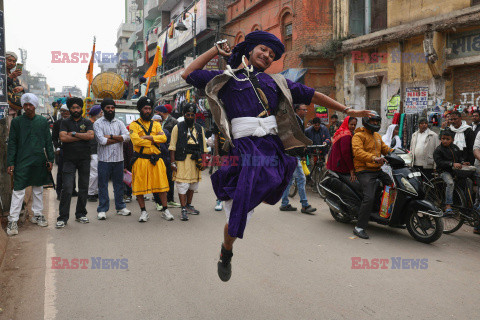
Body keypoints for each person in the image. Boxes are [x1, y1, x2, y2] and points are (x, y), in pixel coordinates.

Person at [181, 30, 373, 281]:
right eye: (263, 50)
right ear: (250, 50)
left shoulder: (277, 82)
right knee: (239, 209)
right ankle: (226, 251)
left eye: (272, 55)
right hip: (245, 148)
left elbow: (312, 94)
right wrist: (215, 51)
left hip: (271, 145)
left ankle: (245, 202)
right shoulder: (226, 79)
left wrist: (348, 109)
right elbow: (188, 74)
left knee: (277, 176)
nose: (267, 56)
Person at [6, 94, 54, 236]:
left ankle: (37, 215)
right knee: (18, 190)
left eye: (30, 104)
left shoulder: (42, 122)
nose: (27, 107)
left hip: (39, 160)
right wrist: (10, 162)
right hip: (22, 161)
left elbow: (48, 141)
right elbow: (13, 143)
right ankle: (13, 220)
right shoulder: (17, 122)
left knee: (38, 188)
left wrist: (50, 159)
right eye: (25, 104)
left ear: (35, 106)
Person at [129, 97, 173, 222]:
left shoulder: (157, 124)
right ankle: (143, 212)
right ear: (140, 110)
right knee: (139, 186)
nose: (148, 111)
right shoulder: (134, 125)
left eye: (149, 108)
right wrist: (154, 138)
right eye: (145, 108)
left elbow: (164, 138)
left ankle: (165, 209)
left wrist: (147, 137)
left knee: (162, 186)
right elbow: (135, 140)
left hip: (157, 160)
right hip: (141, 160)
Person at [351, 112, 393, 239]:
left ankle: (385, 212)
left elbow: (386, 149)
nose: (375, 123)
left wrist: (398, 153)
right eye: (373, 121)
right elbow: (358, 152)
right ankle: (359, 227)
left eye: (377, 121)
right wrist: (374, 158)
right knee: (369, 197)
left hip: (376, 170)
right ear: (365, 121)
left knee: (392, 184)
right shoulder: (358, 136)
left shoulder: (377, 136)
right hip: (364, 170)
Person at [56, 97, 94, 228]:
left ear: (81, 108)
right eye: (73, 108)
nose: (76, 110)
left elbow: (90, 136)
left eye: (78, 107)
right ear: (70, 109)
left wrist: (72, 134)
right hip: (68, 160)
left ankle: (80, 214)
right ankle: (62, 217)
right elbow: (62, 138)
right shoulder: (65, 122)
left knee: (83, 187)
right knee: (66, 188)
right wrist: (80, 136)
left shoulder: (87, 122)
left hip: (84, 159)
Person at [93, 99, 132, 220]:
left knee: (119, 185)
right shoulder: (98, 123)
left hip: (119, 160)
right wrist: (118, 138)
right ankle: (102, 209)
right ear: (103, 109)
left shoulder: (119, 123)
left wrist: (110, 136)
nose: (110, 110)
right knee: (103, 185)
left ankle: (120, 207)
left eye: (112, 107)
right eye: (108, 107)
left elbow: (127, 137)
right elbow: (101, 141)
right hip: (104, 160)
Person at [169, 103, 208, 221]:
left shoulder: (200, 128)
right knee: (182, 185)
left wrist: (204, 161)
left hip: (195, 161)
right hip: (181, 160)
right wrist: (172, 162)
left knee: (193, 185)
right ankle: (183, 208)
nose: (190, 117)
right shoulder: (177, 127)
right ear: (183, 114)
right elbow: (172, 147)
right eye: (188, 115)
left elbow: (204, 147)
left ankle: (189, 205)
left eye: (192, 115)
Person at [279, 104, 317, 214]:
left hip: (292, 153)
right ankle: (304, 205)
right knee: (301, 178)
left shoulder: (299, 120)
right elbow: (292, 138)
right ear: (297, 110)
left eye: (306, 109)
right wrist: (299, 153)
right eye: (303, 109)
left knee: (290, 179)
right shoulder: (294, 120)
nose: (305, 111)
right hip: (292, 153)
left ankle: (284, 203)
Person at [433, 128, 468, 215]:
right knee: (450, 183)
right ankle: (448, 205)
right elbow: (439, 162)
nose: (445, 141)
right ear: (441, 139)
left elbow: (460, 157)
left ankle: (465, 207)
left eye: (447, 139)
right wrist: (452, 164)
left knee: (468, 182)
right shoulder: (438, 150)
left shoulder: (455, 148)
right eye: (443, 139)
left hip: (455, 171)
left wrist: (463, 162)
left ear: (452, 139)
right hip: (443, 171)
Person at [153, 106, 181, 208]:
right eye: (156, 121)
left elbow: (173, 142)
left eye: (160, 121)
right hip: (155, 159)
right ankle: (158, 202)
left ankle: (170, 199)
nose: (158, 123)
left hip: (167, 158)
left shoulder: (167, 130)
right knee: (157, 181)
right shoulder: (151, 133)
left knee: (169, 179)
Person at [326, 116, 357, 182]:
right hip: (340, 165)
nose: (353, 126)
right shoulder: (346, 135)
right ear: (346, 123)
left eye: (354, 125)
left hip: (335, 163)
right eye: (351, 124)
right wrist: (351, 169)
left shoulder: (342, 131)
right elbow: (346, 153)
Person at [52, 104, 71, 200]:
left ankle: (72, 190)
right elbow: (54, 138)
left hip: (73, 151)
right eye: (62, 111)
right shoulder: (57, 123)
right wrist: (58, 148)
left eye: (66, 111)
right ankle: (59, 192)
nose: (64, 113)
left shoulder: (74, 122)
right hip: (62, 150)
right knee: (61, 172)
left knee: (71, 172)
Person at [6, 51, 25, 129]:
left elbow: (18, 87)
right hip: (6, 110)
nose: (12, 63)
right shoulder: (2, 73)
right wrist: (11, 77)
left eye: (14, 61)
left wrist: (21, 88)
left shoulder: (13, 74)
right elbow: (2, 85)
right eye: (9, 60)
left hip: (14, 108)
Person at [87, 105, 102, 202]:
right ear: (96, 114)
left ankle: (95, 192)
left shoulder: (97, 124)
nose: (102, 114)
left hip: (98, 151)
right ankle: (90, 193)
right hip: (92, 152)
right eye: (100, 112)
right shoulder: (89, 124)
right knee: (94, 174)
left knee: (97, 173)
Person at [213, 122, 227, 211]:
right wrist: (217, 154)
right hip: (223, 153)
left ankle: (234, 201)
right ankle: (219, 199)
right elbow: (216, 139)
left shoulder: (235, 116)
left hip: (235, 152)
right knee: (222, 176)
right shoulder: (218, 120)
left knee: (235, 177)